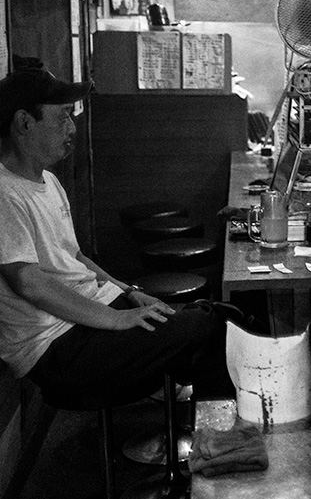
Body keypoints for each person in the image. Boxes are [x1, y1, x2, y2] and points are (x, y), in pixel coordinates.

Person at [0, 68, 231, 406]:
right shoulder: (5, 194)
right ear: (24, 123)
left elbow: (75, 259)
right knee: (208, 330)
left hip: (87, 317)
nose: (72, 127)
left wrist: (129, 292)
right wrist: (118, 318)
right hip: (56, 348)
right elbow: (30, 284)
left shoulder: (48, 182)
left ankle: (208, 431)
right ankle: (220, 445)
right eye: (62, 116)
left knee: (213, 316)